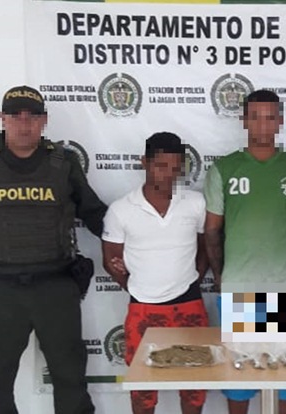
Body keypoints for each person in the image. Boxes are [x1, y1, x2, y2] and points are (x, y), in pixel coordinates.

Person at [0, 85, 106, 414]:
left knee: (71, 379)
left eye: (33, 116)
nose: (24, 123)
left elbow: (93, 213)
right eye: (15, 115)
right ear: (2, 118)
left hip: (56, 287)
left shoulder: (64, 163)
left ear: (44, 120)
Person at [203, 90, 286, 414]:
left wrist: (276, 260)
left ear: (280, 121)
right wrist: (221, 277)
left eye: (269, 117)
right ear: (244, 120)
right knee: (239, 382)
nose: (263, 124)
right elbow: (212, 230)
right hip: (239, 287)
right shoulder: (224, 168)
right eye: (255, 117)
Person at [102, 132, 209, 414]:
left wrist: (192, 279)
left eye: (175, 167)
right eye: (161, 165)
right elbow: (111, 259)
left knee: (194, 387)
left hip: (189, 305)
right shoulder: (121, 210)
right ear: (144, 162)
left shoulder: (196, 203)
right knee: (143, 391)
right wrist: (138, 287)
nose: (168, 174)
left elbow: (205, 249)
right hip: (143, 309)